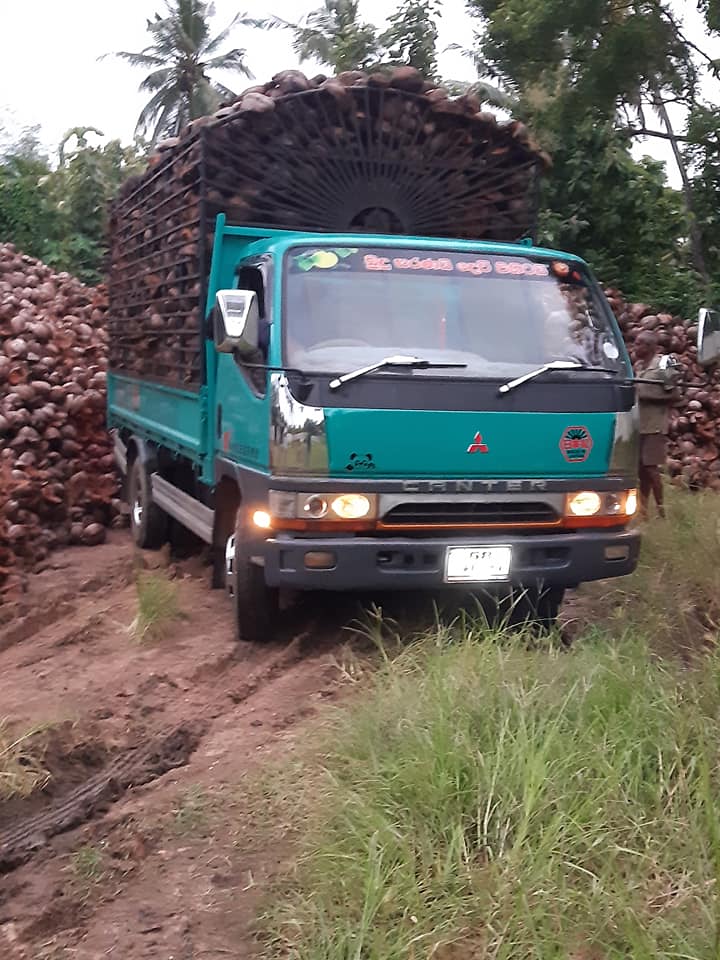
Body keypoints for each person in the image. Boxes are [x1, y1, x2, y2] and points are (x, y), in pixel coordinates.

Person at [633, 330, 681, 519]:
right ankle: (643, 510)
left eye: (639, 344)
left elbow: (676, 396)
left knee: (652, 469)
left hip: (654, 426)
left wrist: (647, 397)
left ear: (650, 347)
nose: (635, 347)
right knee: (641, 470)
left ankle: (661, 510)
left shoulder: (662, 367)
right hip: (638, 425)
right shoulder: (638, 365)